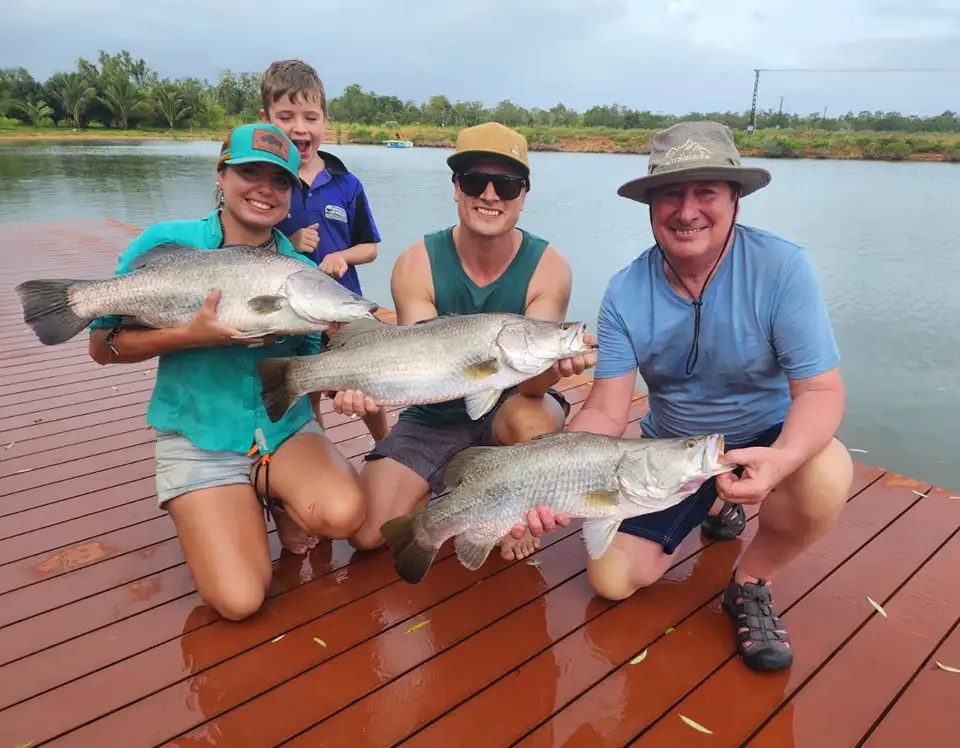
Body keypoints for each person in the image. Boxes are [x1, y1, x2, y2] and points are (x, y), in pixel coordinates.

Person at [538, 121, 854, 672]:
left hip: (765, 434)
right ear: (651, 204)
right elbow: (609, 408)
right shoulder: (625, 290)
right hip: (671, 450)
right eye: (670, 194)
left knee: (826, 470)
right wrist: (551, 473)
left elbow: (820, 389)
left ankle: (751, 582)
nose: (687, 211)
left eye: (705, 191)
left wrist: (782, 458)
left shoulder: (782, 269)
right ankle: (711, 499)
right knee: (611, 579)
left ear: (735, 198)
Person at [86, 123, 367, 621]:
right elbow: (102, 347)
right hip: (198, 436)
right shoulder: (167, 243)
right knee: (240, 601)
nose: (264, 188)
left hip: (281, 430)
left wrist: (346, 367)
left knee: (343, 512)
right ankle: (218, 504)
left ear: (291, 194)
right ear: (222, 175)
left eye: (279, 181)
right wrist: (187, 336)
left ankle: (276, 494)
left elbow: (303, 366)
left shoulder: (296, 268)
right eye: (249, 172)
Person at [334, 122, 597, 560]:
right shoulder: (416, 262)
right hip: (435, 411)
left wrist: (552, 366)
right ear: (456, 187)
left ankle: (513, 508)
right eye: (476, 180)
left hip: (513, 405)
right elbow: (423, 377)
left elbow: (530, 387)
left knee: (530, 421)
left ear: (524, 195)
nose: (490, 195)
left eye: (507, 184)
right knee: (367, 534)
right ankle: (449, 484)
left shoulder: (549, 268)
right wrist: (363, 386)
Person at [258, 58, 389, 445]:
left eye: (310, 117)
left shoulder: (346, 184)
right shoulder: (265, 183)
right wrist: (291, 245)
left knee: (369, 385)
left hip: (341, 307)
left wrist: (343, 257)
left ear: (325, 120)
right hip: (290, 312)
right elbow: (241, 248)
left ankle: (387, 446)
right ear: (266, 118)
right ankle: (319, 449)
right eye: (286, 116)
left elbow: (371, 247)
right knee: (306, 383)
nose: (300, 128)